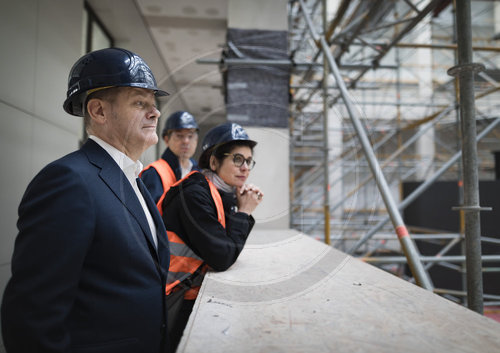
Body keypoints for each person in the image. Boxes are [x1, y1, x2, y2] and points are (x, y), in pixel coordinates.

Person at [1, 48, 171, 353]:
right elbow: (32, 315)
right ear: (99, 111)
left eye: (154, 104)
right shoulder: (68, 182)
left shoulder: (132, 179)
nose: (155, 112)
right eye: (139, 102)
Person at [161, 122, 263, 351]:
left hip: (185, 290)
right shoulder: (194, 194)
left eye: (248, 161)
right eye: (237, 159)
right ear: (214, 161)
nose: (245, 167)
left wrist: (238, 206)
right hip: (169, 297)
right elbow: (223, 256)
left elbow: (226, 242)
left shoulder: (217, 192)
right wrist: (244, 212)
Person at [141, 111, 199, 215]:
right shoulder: (153, 173)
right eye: (179, 136)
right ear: (167, 139)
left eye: (190, 136)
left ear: (197, 140)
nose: (186, 141)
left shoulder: (200, 173)